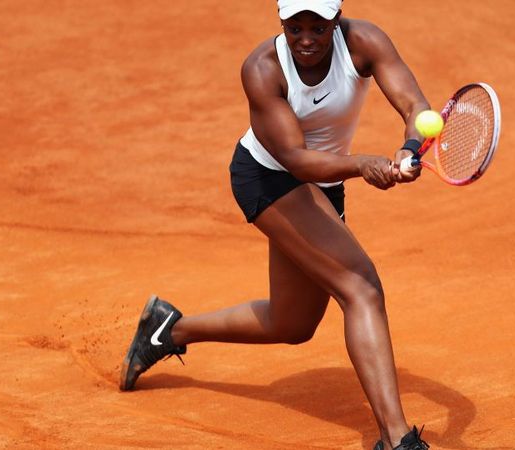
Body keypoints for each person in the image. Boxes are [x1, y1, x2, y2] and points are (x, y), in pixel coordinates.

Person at [120, 1, 433, 448]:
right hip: (269, 177)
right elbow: (295, 160)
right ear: (281, 22)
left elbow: (414, 105)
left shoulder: (365, 42)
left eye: (318, 27)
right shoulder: (262, 69)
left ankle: (168, 329)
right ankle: (397, 437)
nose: (306, 38)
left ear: (337, 19)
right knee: (361, 287)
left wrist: (409, 146)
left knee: (292, 324)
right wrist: (362, 164)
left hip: (321, 184)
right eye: (295, 27)